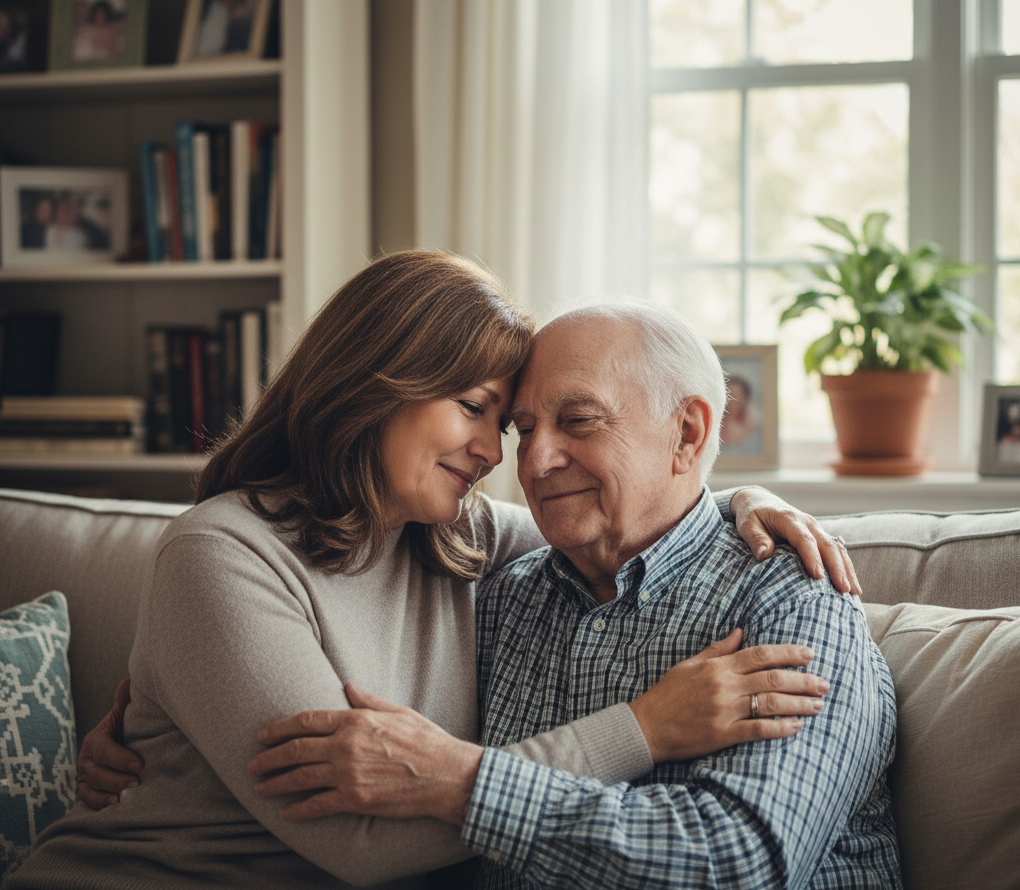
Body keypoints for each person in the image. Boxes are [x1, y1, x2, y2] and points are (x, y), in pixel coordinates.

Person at [29, 252, 852, 889]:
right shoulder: (223, 553)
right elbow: (362, 840)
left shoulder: (464, 540)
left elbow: (633, 525)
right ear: (374, 384)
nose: (501, 453)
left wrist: (736, 497)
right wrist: (643, 728)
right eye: (476, 409)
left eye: (509, 422)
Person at [244, 303, 901, 888]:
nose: (533, 463)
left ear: (689, 434)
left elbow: (738, 862)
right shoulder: (500, 597)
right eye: (523, 428)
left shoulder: (796, 600)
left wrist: (462, 782)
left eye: (578, 420)